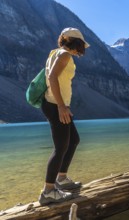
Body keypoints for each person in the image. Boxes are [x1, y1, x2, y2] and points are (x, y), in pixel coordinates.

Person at [38, 27, 90, 205]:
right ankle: (48, 191)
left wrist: (63, 106)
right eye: (81, 46)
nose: (81, 51)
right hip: (55, 105)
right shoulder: (64, 55)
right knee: (61, 147)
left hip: (57, 105)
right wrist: (61, 106)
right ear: (75, 43)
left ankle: (61, 178)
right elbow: (52, 78)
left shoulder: (56, 53)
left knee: (73, 140)